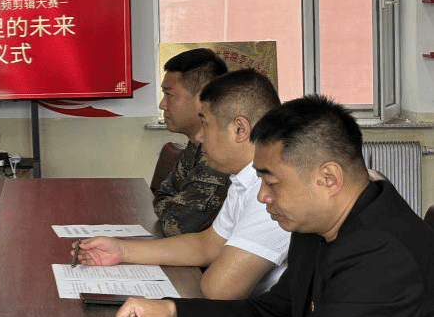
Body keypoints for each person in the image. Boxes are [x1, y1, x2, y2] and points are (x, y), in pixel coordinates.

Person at [84, 95, 434, 317]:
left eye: (272, 182)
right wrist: (171, 312)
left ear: (328, 178)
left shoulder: (381, 255)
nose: (263, 196)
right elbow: (271, 315)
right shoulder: (319, 224)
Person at [77, 69, 287, 299]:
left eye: (205, 124)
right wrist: (121, 250)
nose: (198, 137)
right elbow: (205, 246)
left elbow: (220, 289)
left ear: (240, 129)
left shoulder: (270, 192)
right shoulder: (244, 181)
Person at [152, 48, 230, 236]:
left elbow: (177, 225)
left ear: (203, 98)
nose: (162, 105)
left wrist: (171, 206)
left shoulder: (221, 154)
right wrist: (172, 205)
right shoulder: (196, 144)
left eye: (169, 95)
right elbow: (162, 194)